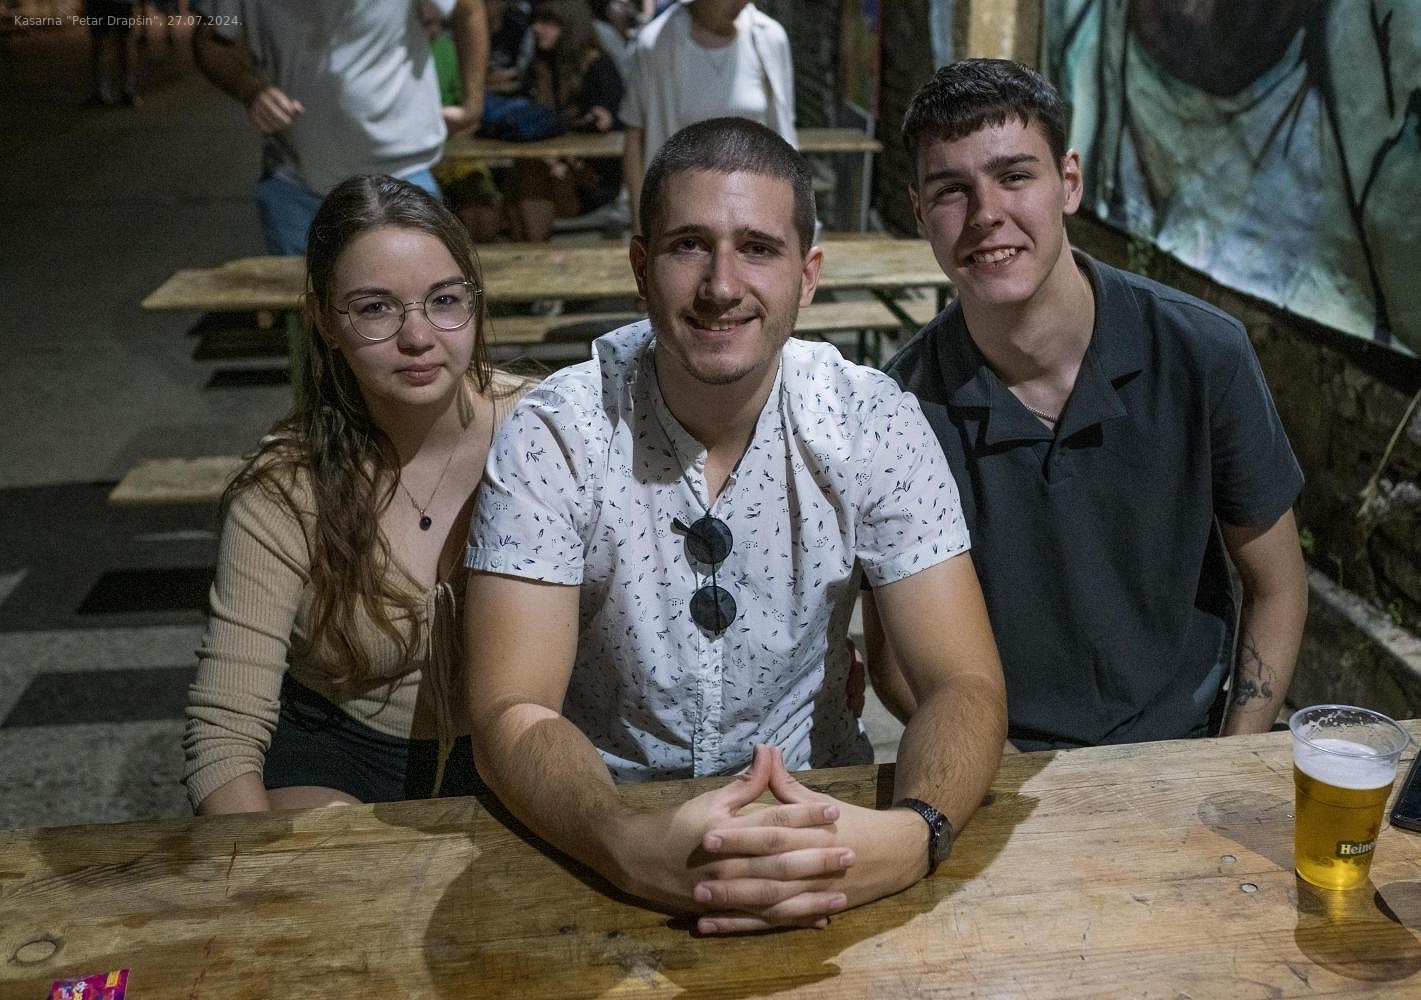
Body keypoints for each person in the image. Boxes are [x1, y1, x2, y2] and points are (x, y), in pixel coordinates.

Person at [463, 118, 1007, 934]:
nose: (722, 285)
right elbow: (511, 708)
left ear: (807, 275)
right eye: (689, 246)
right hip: (603, 831)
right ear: (641, 268)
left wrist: (915, 833)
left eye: (757, 248)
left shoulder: (869, 421)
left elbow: (962, 681)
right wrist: (621, 841)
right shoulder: (559, 431)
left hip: (825, 823)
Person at [874, 58, 1308, 753]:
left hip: (1190, 743)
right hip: (1002, 757)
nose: (986, 215)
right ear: (920, 212)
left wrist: (1230, 755)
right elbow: (895, 661)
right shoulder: (897, 409)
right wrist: (994, 769)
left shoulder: (1202, 353)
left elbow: (1277, 587)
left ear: (1068, 183)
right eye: (952, 190)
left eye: (1015, 176)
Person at [183, 175, 532, 814]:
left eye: (445, 300)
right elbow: (225, 729)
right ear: (324, 322)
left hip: (522, 742)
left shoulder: (549, 434)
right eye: (375, 308)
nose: (418, 336)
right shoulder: (289, 484)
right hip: (339, 748)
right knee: (333, 863)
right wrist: (254, 868)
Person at [189, 0, 487, 257]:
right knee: (305, 301)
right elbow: (210, 37)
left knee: (409, 297)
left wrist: (473, 103)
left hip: (403, 172)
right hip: (295, 178)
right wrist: (249, 89)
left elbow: (468, 9)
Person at [618, 0, 794, 232]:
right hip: (685, 214)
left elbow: (784, 134)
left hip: (755, 211)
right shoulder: (655, 46)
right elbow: (635, 138)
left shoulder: (768, 37)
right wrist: (641, 227)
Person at [492, 0, 626, 243]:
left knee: (529, 174)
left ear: (569, 26)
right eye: (536, 21)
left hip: (591, 177)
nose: (536, 28)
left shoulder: (599, 69)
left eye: (547, 22)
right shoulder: (542, 67)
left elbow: (612, 125)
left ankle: (534, 253)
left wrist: (599, 121)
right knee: (521, 174)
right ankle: (528, 253)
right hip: (552, 165)